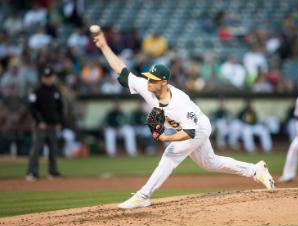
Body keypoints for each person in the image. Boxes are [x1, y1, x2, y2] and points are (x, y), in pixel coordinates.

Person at [93, 31, 275, 209]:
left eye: (153, 80)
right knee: (209, 163)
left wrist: (166, 138)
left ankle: (143, 195)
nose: (148, 82)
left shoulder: (179, 103)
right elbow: (122, 71)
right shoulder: (146, 87)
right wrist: (104, 47)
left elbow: (190, 132)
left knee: (170, 154)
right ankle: (255, 169)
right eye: (148, 77)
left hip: (198, 127)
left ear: (163, 82)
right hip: (186, 128)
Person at [26, 67, 64, 181]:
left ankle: (53, 172)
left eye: (50, 77)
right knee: (36, 149)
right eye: (46, 77)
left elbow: (60, 108)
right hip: (40, 125)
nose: (48, 79)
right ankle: (32, 172)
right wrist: (39, 121)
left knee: (53, 149)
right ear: (42, 78)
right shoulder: (36, 91)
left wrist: (58, 121)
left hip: (52, 124)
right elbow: (32, 108)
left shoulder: (56, 91)